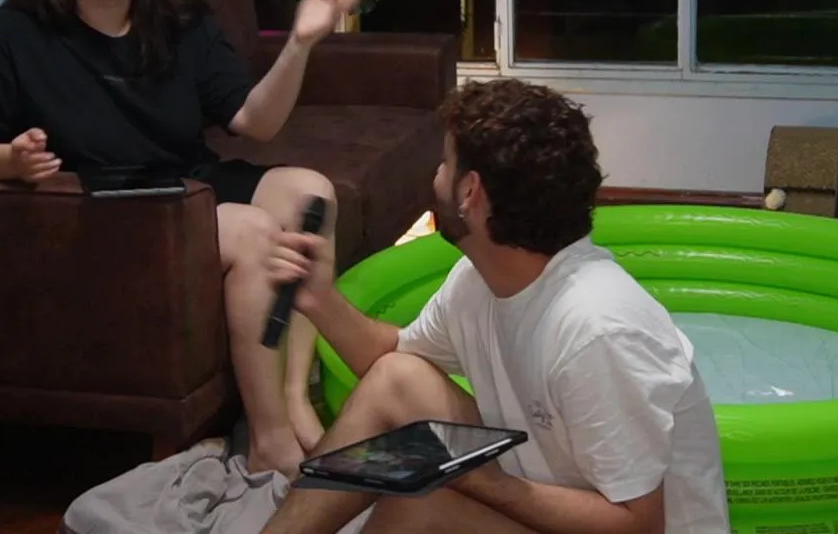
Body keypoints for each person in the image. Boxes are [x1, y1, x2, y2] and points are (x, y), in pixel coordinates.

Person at [0, 0, 378, 479]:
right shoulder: (19, 34)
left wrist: (299, 45)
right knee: (251, 233)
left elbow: (256, 123)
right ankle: (269, 442)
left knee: (311, 196)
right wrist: (8, 160)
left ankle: (296, 400)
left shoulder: (182, 21)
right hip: (102, 206)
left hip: (183, 179)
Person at [261, 79, 731, 533]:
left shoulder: (598, 328)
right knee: (395, 378)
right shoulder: (479, 281)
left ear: (470, 192)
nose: (434, 177)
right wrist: (319, 299)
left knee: (421, 510)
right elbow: (391, 357)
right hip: (551, 490)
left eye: (444, 164)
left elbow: (638, 524)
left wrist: (480, 481)